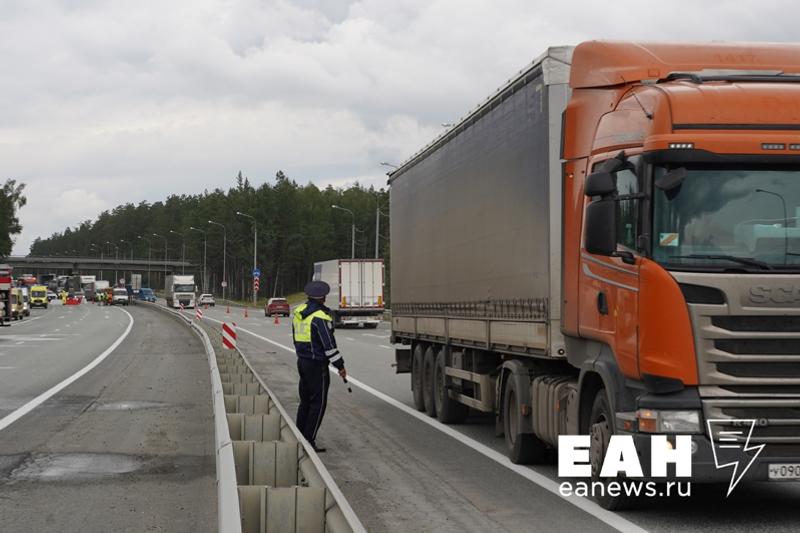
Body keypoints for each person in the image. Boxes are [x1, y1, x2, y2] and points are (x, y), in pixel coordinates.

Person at [292, 280, 346, 453]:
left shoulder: (299, 312)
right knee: (318, 403)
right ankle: (309, 440)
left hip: (302, 361)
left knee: (305, 402)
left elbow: (295, 337)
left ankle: (299, 436)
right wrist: (340, 366)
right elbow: (329, 346)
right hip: (317, 365)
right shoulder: (320, 318)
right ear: (323, 297)